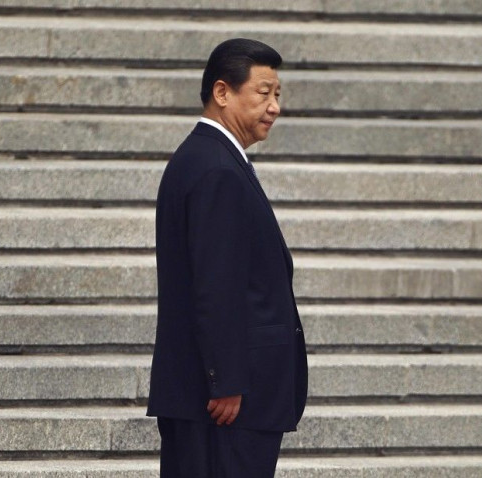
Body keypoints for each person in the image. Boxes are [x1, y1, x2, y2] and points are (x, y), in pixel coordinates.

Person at [146, 38, 308, 478]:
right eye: (263, 93)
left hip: (216, 396)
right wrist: (227, 382)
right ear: (222, 93)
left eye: (277, 95)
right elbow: (216, 284)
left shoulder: (206, 159)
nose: (274, 106)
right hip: (225, 405)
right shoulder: (216, 168)